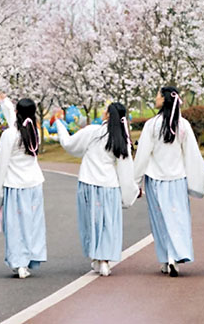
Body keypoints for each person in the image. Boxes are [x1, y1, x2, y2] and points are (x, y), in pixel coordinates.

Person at [56, 102, 139, 277]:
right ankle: (105, 261)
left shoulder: (92, 132)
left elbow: (69, 144)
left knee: (91, 221)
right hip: (109, 185)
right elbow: (126, 168)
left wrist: (59, 124)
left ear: (108, 115)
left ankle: (95, 256)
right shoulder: (121, 137)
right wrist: (131, 192)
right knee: (107, 223)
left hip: (88, 183)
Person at [133, 86, 204, 277]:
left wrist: (135, 180)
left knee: (160, 220)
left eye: (157, 95)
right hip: (177, 180)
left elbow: (143, 155)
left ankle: (167, 258)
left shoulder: (151, 124)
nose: (155, 97)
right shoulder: (183, 125)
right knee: (179, 218)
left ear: (164, 99)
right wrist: (200, 178)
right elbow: (191, 154)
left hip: (156, 179)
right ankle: (177, 255)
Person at [0, 93, 47, 279]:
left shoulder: (10, 134)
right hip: (34, 184)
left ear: (18, 111)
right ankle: (29, 258)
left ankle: (18, 262)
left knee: (15, 226)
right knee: (32, 224)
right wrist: (5, 103)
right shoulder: (33, 131)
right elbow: (14, 119)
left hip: (15, 185)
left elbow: (1, 162)